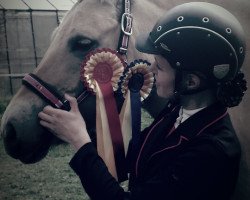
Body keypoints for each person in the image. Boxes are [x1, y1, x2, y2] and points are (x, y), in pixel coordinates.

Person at [38, 2, 247, 200]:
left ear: (190, 82)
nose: (152, 69)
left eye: (160, 66)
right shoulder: (177, 111)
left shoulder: (211, 152)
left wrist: (79, 140)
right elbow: (136, 157)